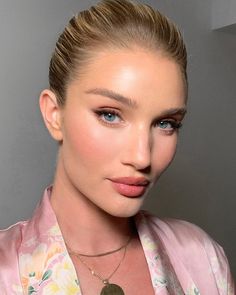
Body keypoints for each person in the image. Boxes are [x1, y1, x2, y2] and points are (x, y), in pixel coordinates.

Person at [0, 0, 234, 294]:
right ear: (54, 114)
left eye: (166, 123)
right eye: (109, 115)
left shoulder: (202, 257)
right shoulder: (6, 270)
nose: (142, 157)